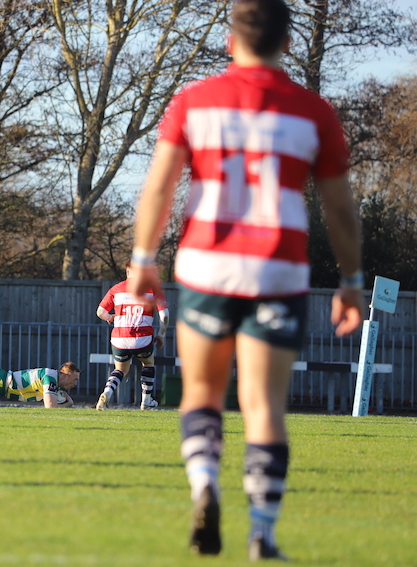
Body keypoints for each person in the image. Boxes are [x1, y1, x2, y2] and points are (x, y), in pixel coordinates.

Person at [125, 0, 364, 561]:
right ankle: (263, 532)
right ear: (286, 44)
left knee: (203, 393)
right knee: (263, 404)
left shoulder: (193, 101)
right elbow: (341, 211)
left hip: (207, 264)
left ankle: (205, 482)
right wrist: (351, 279)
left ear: (231, 42)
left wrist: (143, 258)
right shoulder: (313, 112)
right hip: (278, 269)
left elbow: (158, 189)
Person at [95, 258, 170, 410]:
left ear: (127, 271)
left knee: (121, 369)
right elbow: (165, 315)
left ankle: (107, 391)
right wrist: (161, 334)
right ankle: (146, 401)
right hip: (142, 338)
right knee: (148, 363)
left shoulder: (116, 289)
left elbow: (100, 311)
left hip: (120, 339)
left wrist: (109, 318)